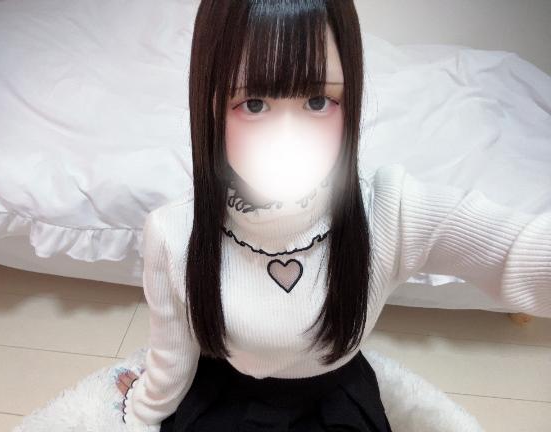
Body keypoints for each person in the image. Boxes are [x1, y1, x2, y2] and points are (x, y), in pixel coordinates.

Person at [115, 1, 551, 431]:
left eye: (318, 101)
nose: (288, 139)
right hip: (223, 404)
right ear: (210, 104)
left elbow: (517, 251)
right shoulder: (175, 231)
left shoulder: (389, 210)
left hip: (335, 408)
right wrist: (140, 409)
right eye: (254, 104)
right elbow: (172, 359)